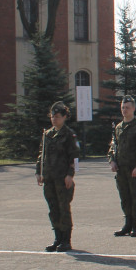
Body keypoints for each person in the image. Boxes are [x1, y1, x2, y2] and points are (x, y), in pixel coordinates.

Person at [36, 102, 81, 252]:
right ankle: (57, 238)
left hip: (62, 179)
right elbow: (41, 155)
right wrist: (39, 172)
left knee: (64, 209)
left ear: (64, 117)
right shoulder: (47, 134)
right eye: (52, 117)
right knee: (53, 209)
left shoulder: (69, 134)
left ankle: (66, 240)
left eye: (57, 117)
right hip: (49, 178)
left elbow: (74, 157)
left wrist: (70, 175)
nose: (54, 119)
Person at [108, 95, 136, 238]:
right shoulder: (118, 127)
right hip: (121, 169)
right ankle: (128, 224)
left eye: (127, 108)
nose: (124, 110)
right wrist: (112, 160)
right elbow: (113, 146)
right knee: (124, 196)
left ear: (133, 108)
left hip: (133, 169)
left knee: (135, 196)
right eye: (123, 108)